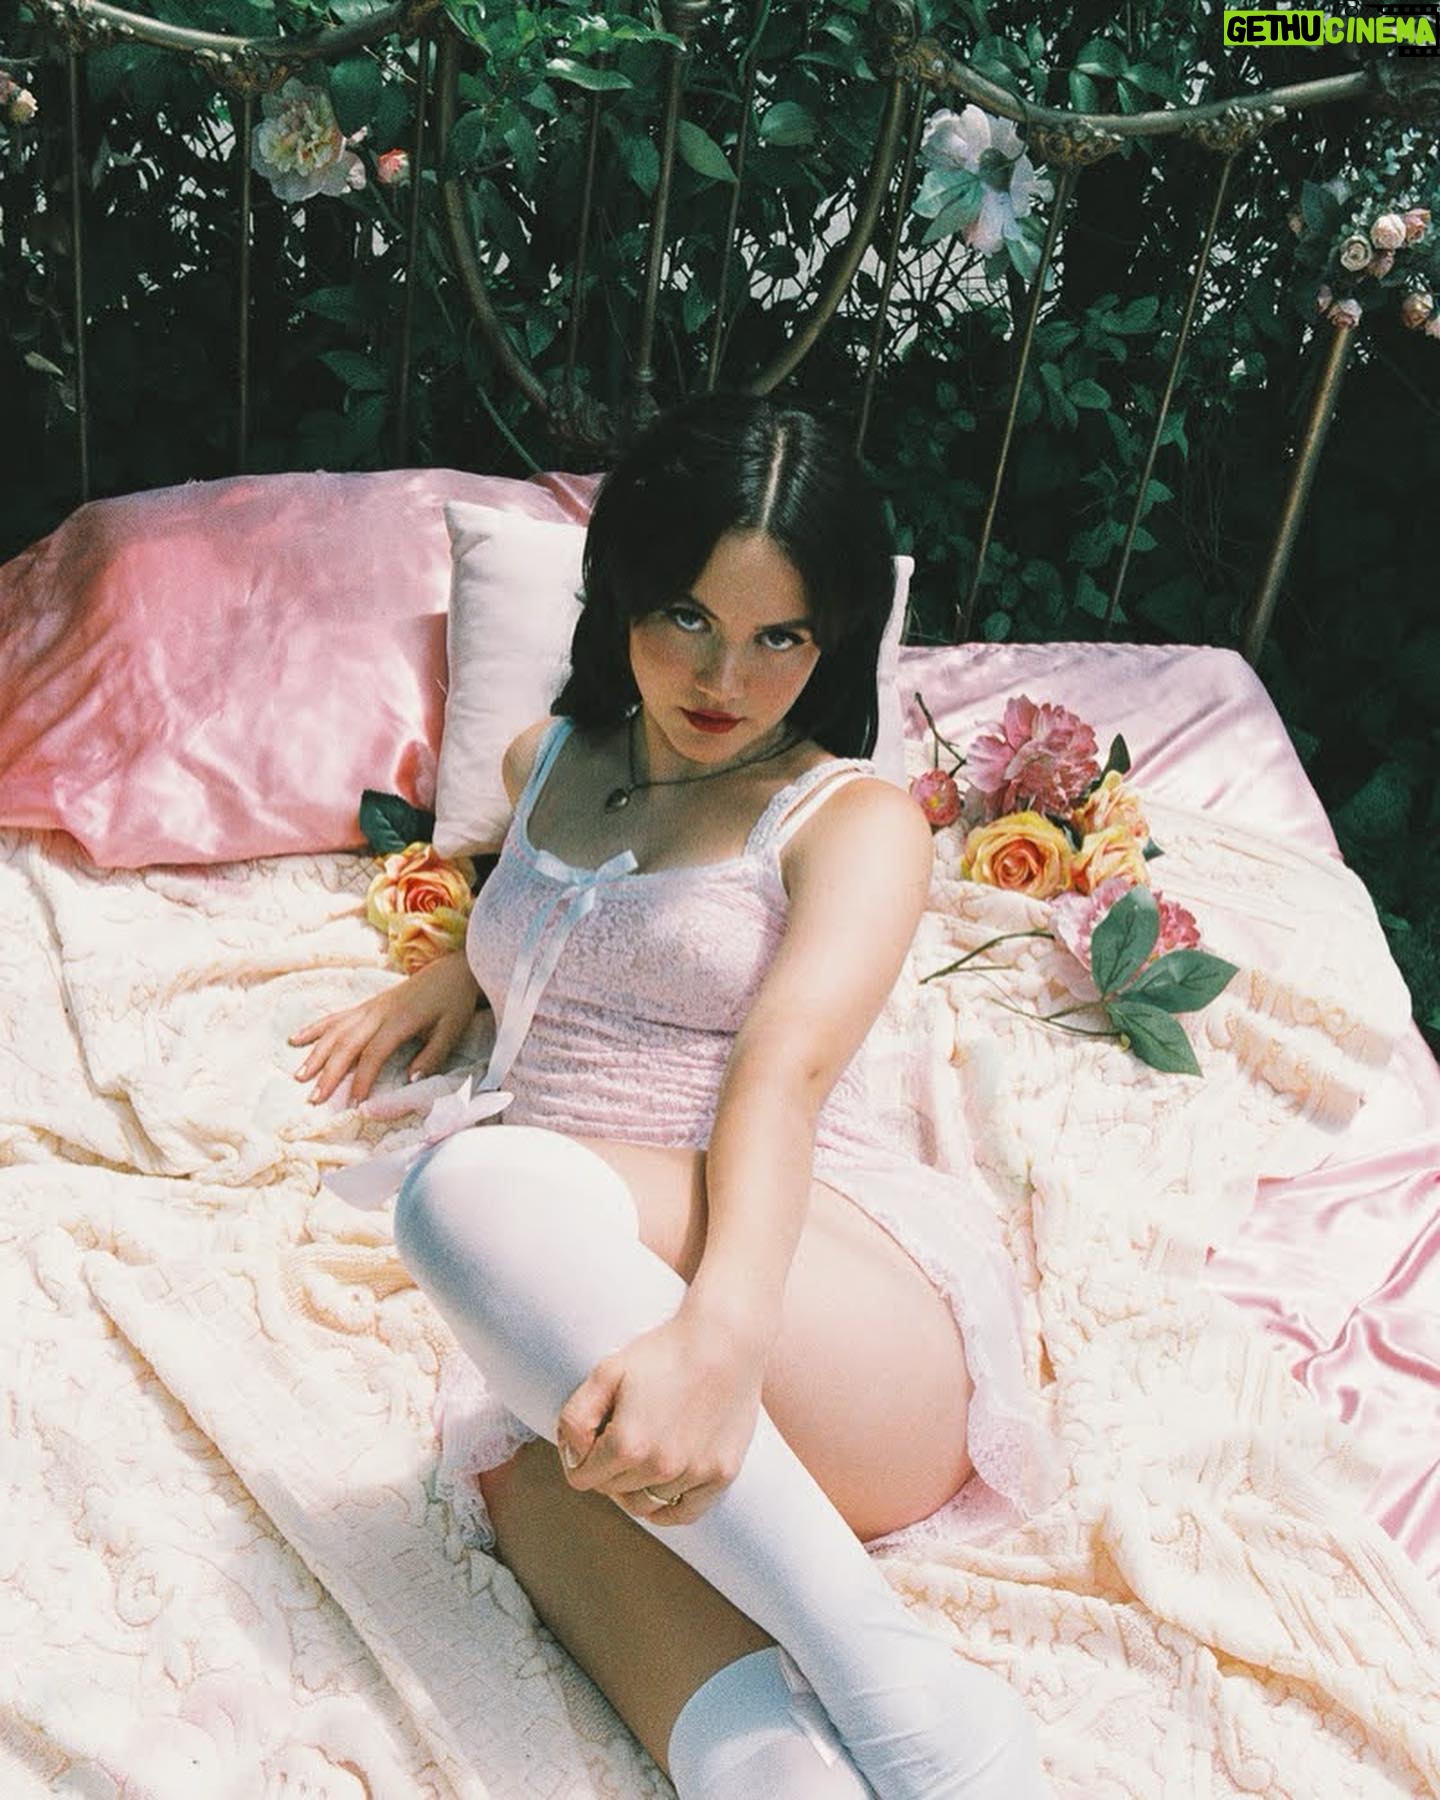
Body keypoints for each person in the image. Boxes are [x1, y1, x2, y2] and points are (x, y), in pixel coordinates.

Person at [289, 394, 1061, 1798]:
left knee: (468, 1191)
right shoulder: (546, 766)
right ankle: (863, 1761)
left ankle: (899, 1681)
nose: (725, 679)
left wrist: (721, 1336)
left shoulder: (852, 821)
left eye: (781, 638)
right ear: (623, 596)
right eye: (688, 618)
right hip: (589, 1314)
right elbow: (574, 910)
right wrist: (465, 970)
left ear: (832, 643)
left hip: (817, 1307)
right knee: (527, 1483)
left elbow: (782, 1073)